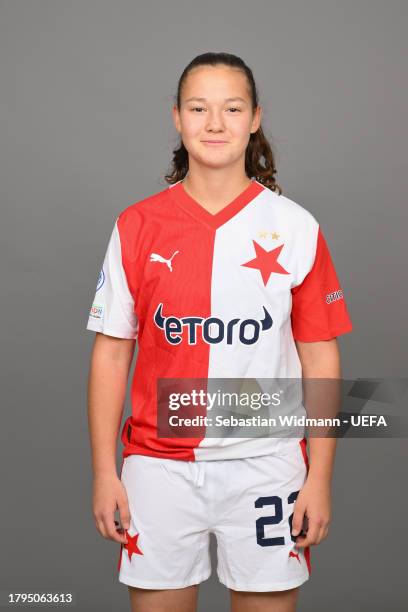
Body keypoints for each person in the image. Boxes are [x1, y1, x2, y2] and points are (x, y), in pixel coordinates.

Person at [86, 52, 353, 612]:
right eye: (198, 108)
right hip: (157, 469)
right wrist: (105, 473)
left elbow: (320, 360)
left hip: (268, 465)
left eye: (231, 108)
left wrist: (319, 478)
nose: (214, 123)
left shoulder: (295, 227)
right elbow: (111, 356)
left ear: (255, 117)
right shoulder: (136, 225)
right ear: (177, 118)